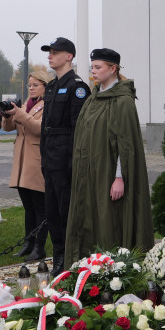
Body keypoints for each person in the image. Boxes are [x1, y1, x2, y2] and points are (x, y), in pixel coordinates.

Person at [65, 49, 154, 267]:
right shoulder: (93, 98)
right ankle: (88, 267)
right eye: (91, 67)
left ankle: (112, 270)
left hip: (109, 175)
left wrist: (119, 177)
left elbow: (125, 145)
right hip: (90, 174)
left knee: (109, 221)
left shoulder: (122, 101)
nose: (92, 72)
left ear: (113, 69)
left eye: (98, 67)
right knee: (89, 217)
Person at [39, 37, 89, 273]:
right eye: (49, 52)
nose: (50, 55)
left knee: (66, 211)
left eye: (55, 52)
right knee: (51, 211)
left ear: (69, 56)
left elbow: (78, 129)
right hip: (50, 159)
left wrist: (72, 163)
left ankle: (70, 257)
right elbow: (45, 127)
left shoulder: (77, 87)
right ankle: (58, 254)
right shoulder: (51, 86)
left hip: (65, 161)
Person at [2, 73, 48, 260]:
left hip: (36, 161)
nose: (31, 88)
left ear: (45, 86)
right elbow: (7, 128)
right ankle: (28, 243)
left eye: (35, 85)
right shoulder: (26, 105)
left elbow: (38, 128)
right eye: (29, 85)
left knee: (40, 207)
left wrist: (20, 114)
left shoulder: (48, 105)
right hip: (22, 162)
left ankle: (40, 246)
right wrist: (7, 116)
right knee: (28, 207)